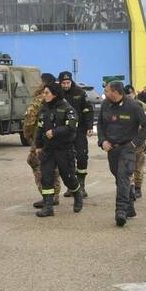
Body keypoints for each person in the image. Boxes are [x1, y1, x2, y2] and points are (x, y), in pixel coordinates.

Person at [97, 81, 146, 227]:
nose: (105, 93)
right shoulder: (105, 105)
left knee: (123, 176)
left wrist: (135, 144)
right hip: (112, 149)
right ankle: (130, 206)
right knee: (119, 178)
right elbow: (100, 125)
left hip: (128, 149)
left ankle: (120, 212)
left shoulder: (134, 106)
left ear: (115, 92)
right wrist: (102, 141)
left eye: (107, 91)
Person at [34, 82, 82, 216]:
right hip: (48, 149)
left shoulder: (67, 108)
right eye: (44, 93)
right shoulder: (44, 108)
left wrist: (55, 132)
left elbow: (72, 127)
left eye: (47, 93)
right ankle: (48, 207)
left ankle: (77, 194)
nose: (44, 95)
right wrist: (38, 146)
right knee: (46, 176)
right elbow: (40, 128)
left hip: (64, 149)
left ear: (54, 94)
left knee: (68, 177)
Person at [24, 73, 61, 208]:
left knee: (35, 162)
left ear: (43, 83)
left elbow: (30, 120)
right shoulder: (59, 98)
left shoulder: (40, 99)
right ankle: (55, 194)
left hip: (40, 138)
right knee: (53, 165)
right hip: (56, 137)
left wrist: (28, 136)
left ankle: (47, 196)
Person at [57, 71, 93, 199]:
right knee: (67, 158)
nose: (66, 85)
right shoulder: (57, 94)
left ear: (71, 81)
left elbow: (88, 109)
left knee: (82, 155)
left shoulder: (80, 92)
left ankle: (81, 186)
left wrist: (89, 127)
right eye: (63, 83)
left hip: (79, 130)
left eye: (68, 82)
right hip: (64, 131)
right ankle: (72, 187)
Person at [125, 85, 146, 200]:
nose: (128, 97)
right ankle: (130, 188)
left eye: (130, 94)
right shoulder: (122, 106)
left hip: (139, 141)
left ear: (134, 93)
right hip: (125, 142)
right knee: (126, 167)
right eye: (126, 95)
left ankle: (137, 188)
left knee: (138, 167)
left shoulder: (142, 106)